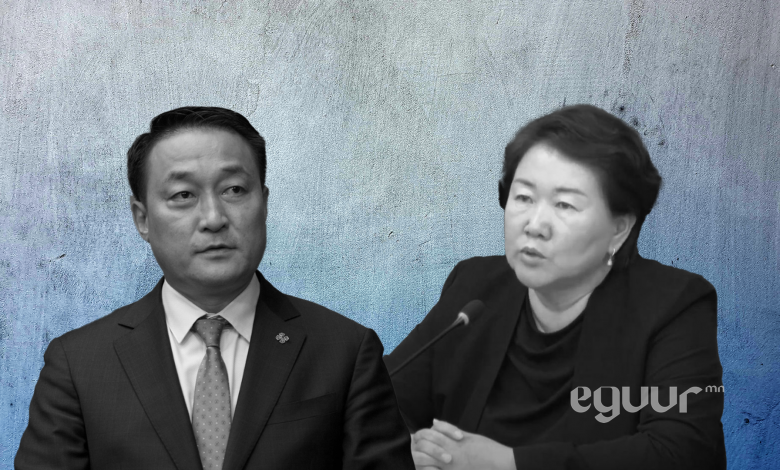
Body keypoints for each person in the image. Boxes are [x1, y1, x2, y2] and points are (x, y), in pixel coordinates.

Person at [16, 106, 415, 469]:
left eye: (234, 190)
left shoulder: (345, 351)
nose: (213, 218)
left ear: (264, 202)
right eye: (183, 195)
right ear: (142, 219)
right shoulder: (79, 364)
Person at [385, 104, 726, 470]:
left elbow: (680, 452)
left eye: (564, 205)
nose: (535, 225)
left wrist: (509, 464)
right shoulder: (475, 288)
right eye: (523, 198)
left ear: (619, 229)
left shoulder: (673, 305)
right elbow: (377, 401)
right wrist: (410, 450)